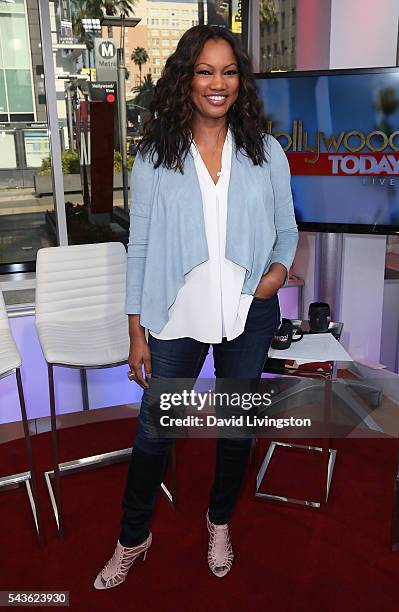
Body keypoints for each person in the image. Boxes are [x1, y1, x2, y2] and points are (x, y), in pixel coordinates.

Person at [94, 24, 298, 590]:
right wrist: (136, 331)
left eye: (229, 72)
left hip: (247, 315)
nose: (218, 83)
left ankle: (219, 522)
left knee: (236, 431)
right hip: (176, 315)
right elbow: (139, 246)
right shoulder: (156, 155)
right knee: (155, 432)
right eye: (205, 71)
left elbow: (287, 228)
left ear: (241, 82)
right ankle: (133, 538)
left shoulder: (265, 151)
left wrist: (275, 275)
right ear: (186, 79)